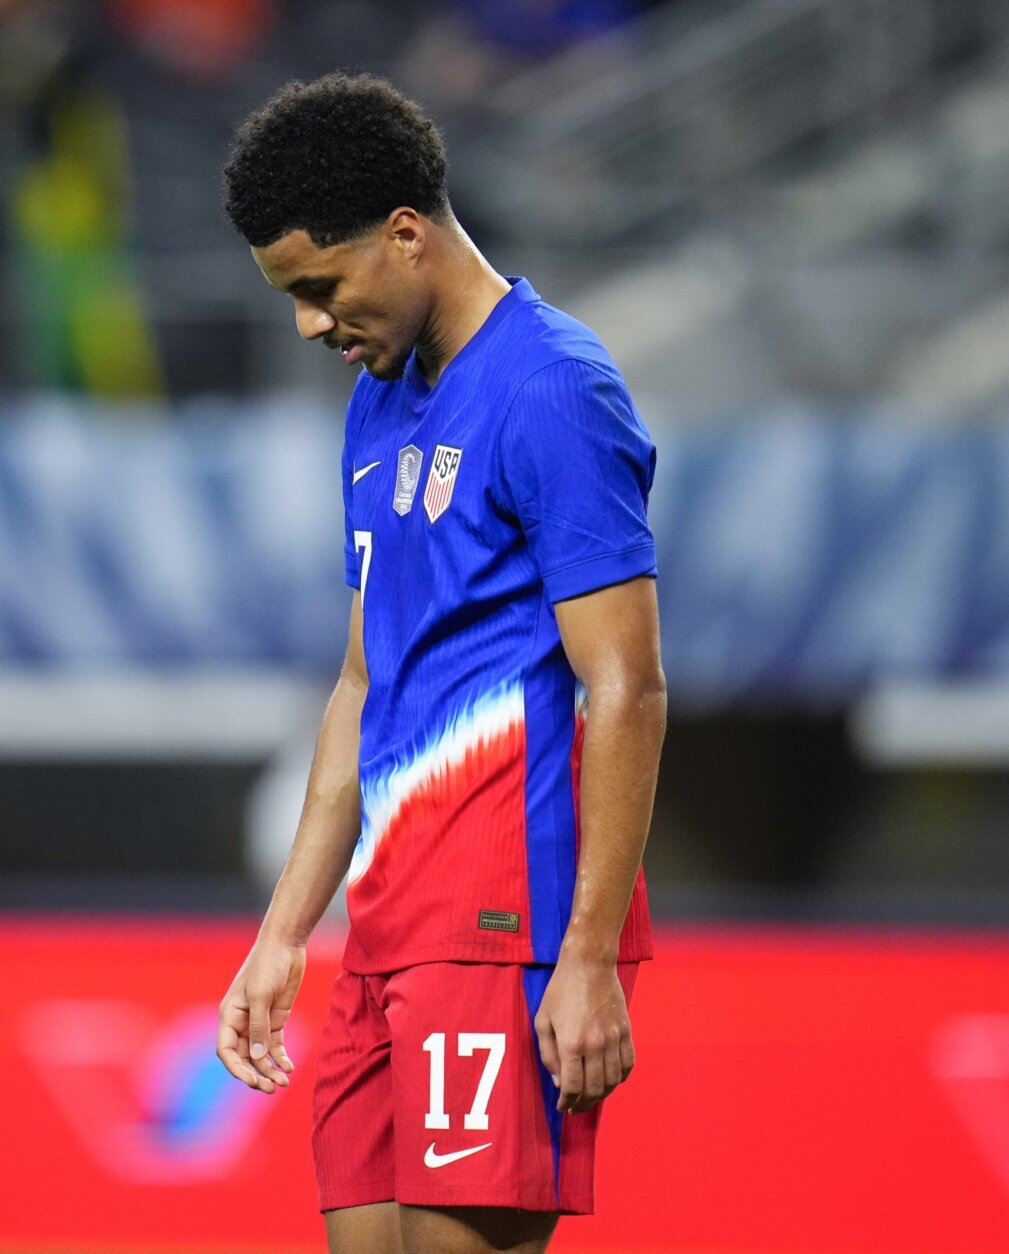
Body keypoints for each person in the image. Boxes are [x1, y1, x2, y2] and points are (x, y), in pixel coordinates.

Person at [216, 73, 666, 1254]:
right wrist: (284, 933)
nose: (308, 326)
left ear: (405, 235)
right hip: (385, 925)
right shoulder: (378, 402)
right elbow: (363, 683)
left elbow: (625, 686)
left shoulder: (553, 389)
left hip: (502, 926)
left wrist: (585, 958)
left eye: (319, 288)